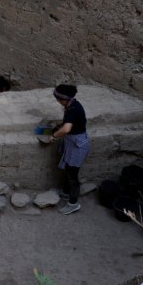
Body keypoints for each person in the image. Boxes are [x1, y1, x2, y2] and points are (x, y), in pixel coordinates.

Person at [51, 84, 90, 215]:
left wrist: (54, 136)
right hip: (73, 142)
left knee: (73, 176)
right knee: (69, 169)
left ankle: (73, 204)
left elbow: (67, 129)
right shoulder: (72, 105)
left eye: (58, 99)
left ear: (63, 99)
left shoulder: (73, 109)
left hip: (77, 145)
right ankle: (66, 193)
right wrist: (59, 126)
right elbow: (69, 124)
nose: (57, 102)